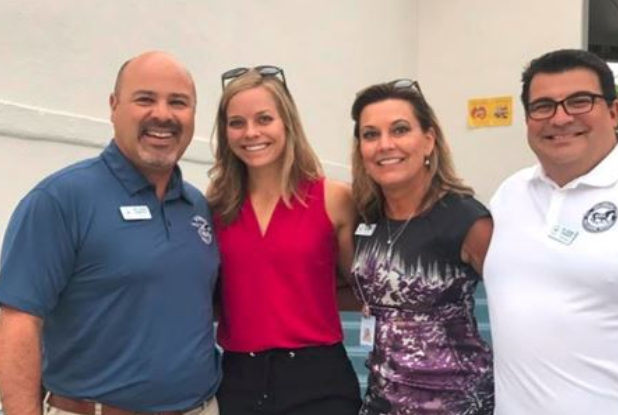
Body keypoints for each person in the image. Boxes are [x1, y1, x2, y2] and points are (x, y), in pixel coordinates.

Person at [0, 51, 221, 415]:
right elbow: (19, 321)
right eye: (145, 99)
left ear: (193, 115)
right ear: (114, 106)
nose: (162, 114)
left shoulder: (196, 207)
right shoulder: (61, 200)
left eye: (178, 102)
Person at [483, 49, 618, 415]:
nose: (561, 117)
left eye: (579, 101)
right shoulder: (510, 194)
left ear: (614, 110)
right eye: (543, 106)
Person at [207, 66, 361, 415]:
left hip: (319, 381)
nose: (251, 133)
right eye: (236, 123)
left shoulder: (334, 199)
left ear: (286, 123)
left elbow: (362, 288)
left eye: (264, 119)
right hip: (238, 380)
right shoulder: (216, 205)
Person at [350, 79, 494, 415]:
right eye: (371, 134)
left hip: (455, 404)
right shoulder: (368, 218)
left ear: (428, 140)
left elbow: (520, 307)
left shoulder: (465, 218)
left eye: (400, 130)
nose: (385, 144)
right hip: (380, 402)